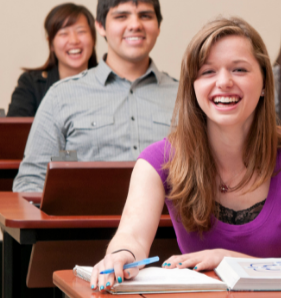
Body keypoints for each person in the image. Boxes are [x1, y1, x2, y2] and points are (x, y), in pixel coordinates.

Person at [88, 17, 281, 291]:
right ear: (192, 87)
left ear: (265, 82)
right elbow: (131, 237)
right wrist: (122, 255)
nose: (224, 82)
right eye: (207, 72)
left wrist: (227, 260)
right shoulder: (157, 161)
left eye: (239, 69)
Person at [12, 0, 177, 192]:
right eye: (121, 16)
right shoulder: (61, 96)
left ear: (158, 26)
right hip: (83, 222)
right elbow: (30, 183)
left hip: (169, 222)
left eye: (145, 16)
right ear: (100, 26)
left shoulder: (186, 97)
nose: (135, 25)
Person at [7, 3, 98, 117]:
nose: (74, 40)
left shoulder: (112, 80)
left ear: (93, 38)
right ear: (51, 44)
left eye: (81, 31)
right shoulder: (31, 84)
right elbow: (15, 132)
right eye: (63, 33)